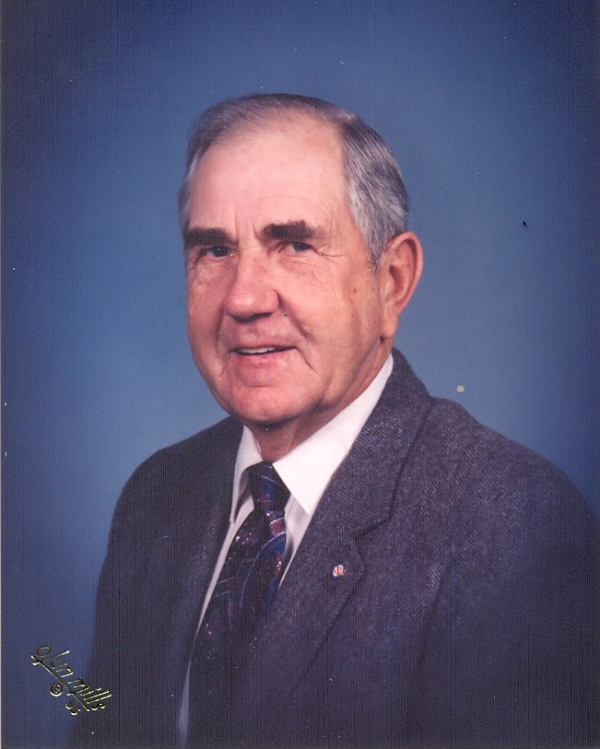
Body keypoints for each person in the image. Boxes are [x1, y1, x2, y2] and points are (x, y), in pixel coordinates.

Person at [70, 94, 598, 749]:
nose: (243, 298)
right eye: (215, 250)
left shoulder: (509, 521)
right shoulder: (155, 496)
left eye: (294, 244)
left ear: (392, 281)